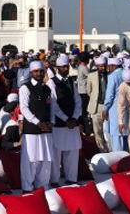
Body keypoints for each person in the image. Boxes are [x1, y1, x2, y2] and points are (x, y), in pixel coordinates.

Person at [19, 60, 56, 193]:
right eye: (36, 71)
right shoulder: (25, 88)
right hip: (32, 131)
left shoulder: (47, 88)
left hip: (46, 130)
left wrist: (51, 121)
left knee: (46, 160)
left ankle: (42, 187)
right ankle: (27, 188)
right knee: (31, 161)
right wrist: (37, 122)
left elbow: (51, 107)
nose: (39, 73)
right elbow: (24, 108)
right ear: (31, 73)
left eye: (41, 71)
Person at [47, 55, 82, 187]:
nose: (65, 69)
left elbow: (77, 100)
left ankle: (71, 179)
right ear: (57, 68)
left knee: (72, 152)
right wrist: (66, 119)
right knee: (56, 153)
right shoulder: (52, 82)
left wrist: (74, 117)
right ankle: (54, 180)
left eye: (66, 66)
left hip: (72, 123)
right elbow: (53, 105)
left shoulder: (71, 82)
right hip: (59, 124)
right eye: (62, 67)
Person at [103, 57, 128, 152]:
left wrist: (105, 109)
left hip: (115, 109)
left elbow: (110, 95)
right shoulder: (127, 73)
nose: (108, 68)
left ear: (114, 66)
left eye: (109, 66)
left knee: (117, 136)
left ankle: (119, 161)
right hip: (126, 108)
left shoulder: (113, 76)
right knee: (125, 136)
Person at [86, 56, 109, 152]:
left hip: (108, 106)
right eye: (100, 66)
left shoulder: (110, 75)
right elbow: (89, 91)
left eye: (104, 66)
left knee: (108, 130)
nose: (102, 68)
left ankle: (110, 150)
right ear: (96, 66)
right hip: (96, 106)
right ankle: (102, 150)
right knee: (97, 130)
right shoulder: (91, 76)